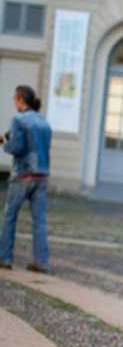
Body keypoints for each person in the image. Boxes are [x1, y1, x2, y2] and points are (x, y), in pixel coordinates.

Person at [0, 85, 52, 273]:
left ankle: (4, 257)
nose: (14, 102)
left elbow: (16, 148)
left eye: (15, 98)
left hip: (23, 174)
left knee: (10, 217)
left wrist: (4, 143)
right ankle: (42, 262)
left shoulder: (18, 119)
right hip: (42, 175)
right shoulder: (44, 122)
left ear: (21, 99)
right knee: (39, 220)